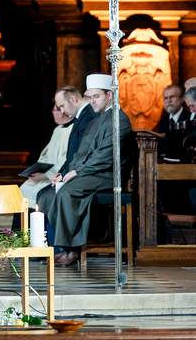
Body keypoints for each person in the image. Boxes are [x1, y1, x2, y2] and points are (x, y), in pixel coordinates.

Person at [44, 73, 135, 266]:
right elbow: (81, 153)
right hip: (92, 172)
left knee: (67, 192)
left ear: (109, 95)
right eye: (89, 97)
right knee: (51, 193)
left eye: (96, 96)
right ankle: (62, 247)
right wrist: (67, 172)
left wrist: (78, 172)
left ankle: (73, 250)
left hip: (109, 175)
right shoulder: (97, 119)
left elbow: (105, 156)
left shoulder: (119, 120)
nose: (92, 101)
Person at [36, 85, 95, 213]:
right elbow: (72, 154)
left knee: (45, 196)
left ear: (73, 99)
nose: (62, 112)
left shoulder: (89, 116)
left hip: (83, 174)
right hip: (73, 171)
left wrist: (63, 175)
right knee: (42, 194)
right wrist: (60, 173)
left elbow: (82, 153)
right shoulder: (82, 116)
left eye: (62, 106)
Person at [20, 102, 73, 208]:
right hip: (46, 174)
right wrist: (36, 170)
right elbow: (46, 155)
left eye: (54, 110)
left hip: (53, 177)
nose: (52, 113)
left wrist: (45, 176)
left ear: (61, 113)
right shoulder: (57, 130)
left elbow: (65, 159)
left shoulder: (71, 131)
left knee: (36, 193)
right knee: (23, 189)